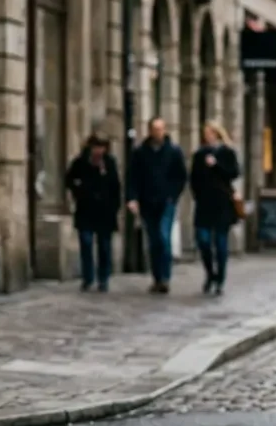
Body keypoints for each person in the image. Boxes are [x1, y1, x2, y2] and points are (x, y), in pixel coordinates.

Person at [126, 118, 188, 294]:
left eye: (160, 129)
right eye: (154, 129)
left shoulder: (173, 151)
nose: (158, 132)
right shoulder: (140, 152)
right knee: (153, 241)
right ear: (149, 130)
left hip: (166, 202)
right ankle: (157, 277)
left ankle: (165, 278)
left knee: (163, 237)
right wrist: (132, 198)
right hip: (147, 202)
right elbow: (133, 177)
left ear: (165, 130)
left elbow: (181, 177)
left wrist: (172, 196)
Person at [189, 121, 241, 295]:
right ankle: (210, 273)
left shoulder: (227, 152)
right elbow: (193, 178)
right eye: (206, 133)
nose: (207, 136)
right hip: (204, 203)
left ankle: (220, 279)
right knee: (203, 240)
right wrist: (197, 194)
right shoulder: (200, 154)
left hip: (222, 203)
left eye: (210, 133)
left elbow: (234, 173)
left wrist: (216, 165)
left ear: (217, 134)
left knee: (220, 243)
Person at [65, 133, 121, 292]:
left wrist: (114, 207)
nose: (98, 150)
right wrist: (79, 191)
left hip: (105, 211)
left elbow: (115, 186)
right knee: (86, 242)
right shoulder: (81, 162)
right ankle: (88, 277)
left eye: (102, 147)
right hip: (86, 208)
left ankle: (103, 278)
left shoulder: (109, 163)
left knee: (104, 245)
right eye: (96, 147)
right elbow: (69, 179)